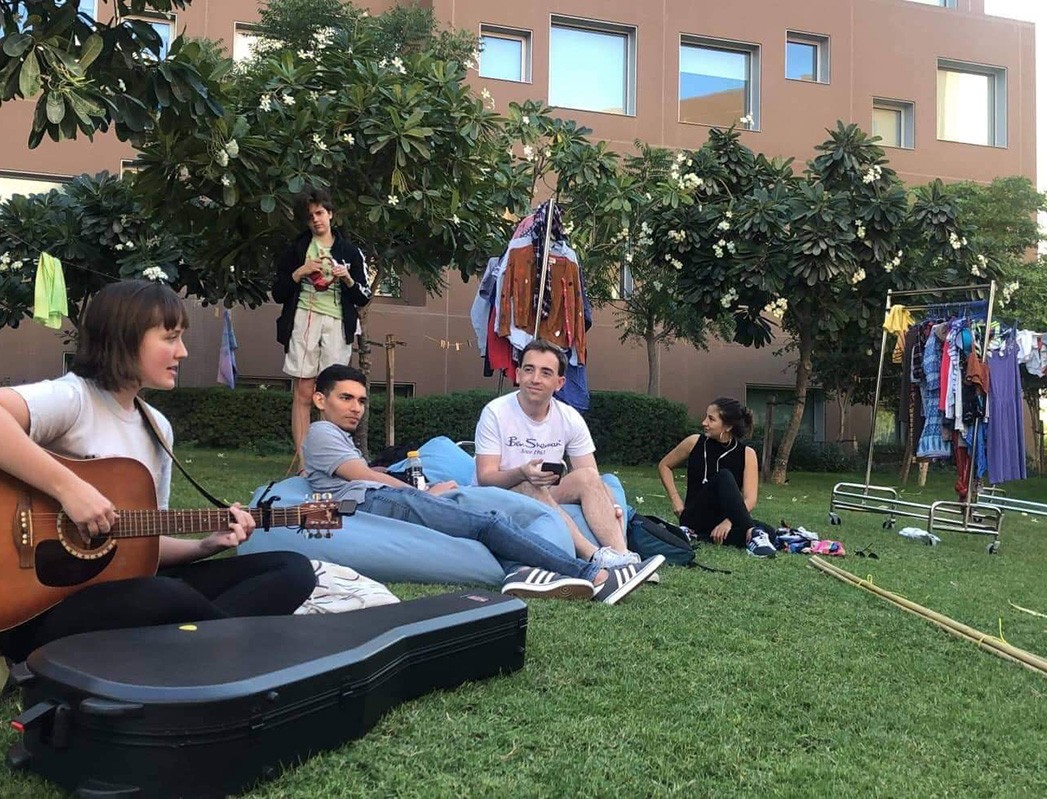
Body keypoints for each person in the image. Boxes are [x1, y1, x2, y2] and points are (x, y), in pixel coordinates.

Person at [0, 281, 316, 664]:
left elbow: (147, 543)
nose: (182, 351)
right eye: (170, 338)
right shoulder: (74, 398)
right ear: (125, 337)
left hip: (123, 592)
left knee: (292, 570)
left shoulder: (157, 428)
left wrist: (204, 546)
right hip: (38, 608)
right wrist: (71, 490)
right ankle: (220, 654)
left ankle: (194, 651)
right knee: (167, 596)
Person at [302, 365, 663, 604]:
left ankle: (524, 573)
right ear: (320, 400)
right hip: (378, 501)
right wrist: (423, 492)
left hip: (379, 499)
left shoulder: (332, 437)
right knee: (489, 523)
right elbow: (364, 478)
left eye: (361, 400)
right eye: (345, 398)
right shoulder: (321, 432)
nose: (357, 407)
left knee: (481, 529)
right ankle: (595, 575)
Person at [474, 341, 639, 569]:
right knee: (531, 485)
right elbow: (485, 477)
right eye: (529, 369)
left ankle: (623, 556)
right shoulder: (495, 412)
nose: (535, 379)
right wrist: (522, 473)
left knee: (587, 476)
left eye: (545, 373)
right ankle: (593, 556)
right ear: (518, 374)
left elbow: (591, 475)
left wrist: (612, 505)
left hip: (546, 491)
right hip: (498, 494)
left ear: (559, 383)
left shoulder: (569, 417)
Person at [272, 187, 371, 469]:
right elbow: (278, 292)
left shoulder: (349, 251)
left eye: (319, 213)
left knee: (334, 394)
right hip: (304, 318)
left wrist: (348, 279)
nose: (315, 220)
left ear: (330, 214)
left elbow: (363, 296)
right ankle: (305, 464)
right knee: (304, 391)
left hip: (338, 323)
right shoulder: (296, 248)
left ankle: (330, 461)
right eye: (309, 216)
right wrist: (299, 272)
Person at [657, 397, 776, 558]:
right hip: (695, 515)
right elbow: (664, 465)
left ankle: (699, 536)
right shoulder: (694, 442)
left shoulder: (747, 454)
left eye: (711, 419)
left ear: (728, 426)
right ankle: (751, 532)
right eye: (706, 417)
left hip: (723, 519)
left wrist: (728, 522)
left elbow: (750, 499)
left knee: (769, 531)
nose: (704, 422)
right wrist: (676, 500)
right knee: (724, 477)